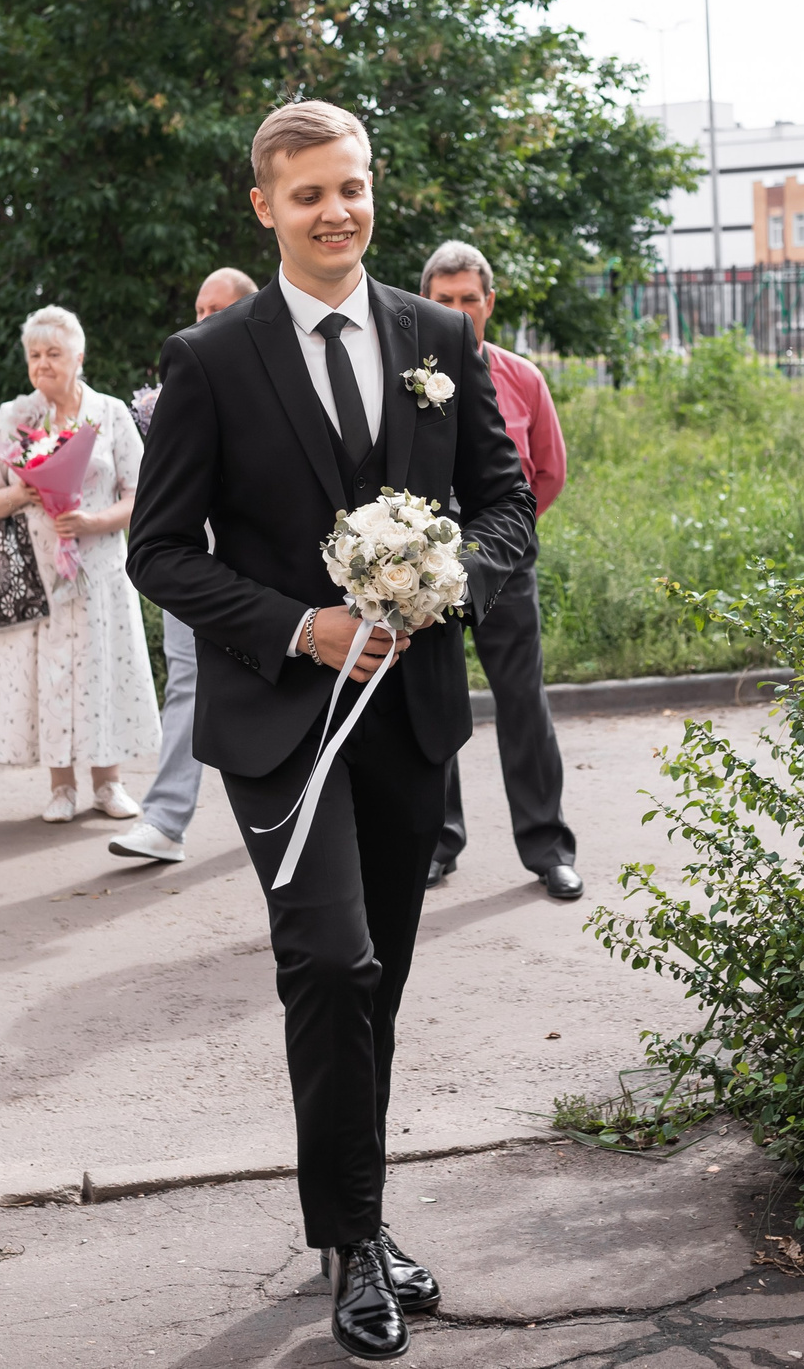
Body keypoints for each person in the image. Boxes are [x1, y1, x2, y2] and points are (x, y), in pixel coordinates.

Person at [129, 100, 535, 1361]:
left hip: (407, 717)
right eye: (307, 195)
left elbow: (505, 505)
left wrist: (443, 579)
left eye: (351, 187)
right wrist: (299, 627)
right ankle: (354, 1246)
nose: (335, 211)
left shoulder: (437, 339)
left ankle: (350, 1211)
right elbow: (158, 553)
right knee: (331, 963)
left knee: (383, 981)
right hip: (278, 723)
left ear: (372, 188)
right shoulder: (209, 360)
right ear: (266, 207)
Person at [416, 241, 580, 901]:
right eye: (444, 299)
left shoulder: (522, 378)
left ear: (489, 302)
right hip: (422, 566)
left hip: (504, 563)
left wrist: (495, 547)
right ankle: (435, 843)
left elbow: (548, 472)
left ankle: (548, 849)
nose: (458, 310)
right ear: (424, 302)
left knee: (523, 702)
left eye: (469, 299)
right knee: (430, 701)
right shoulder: (406, 380)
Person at [0, 305, 160, 821]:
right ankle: (60, 787)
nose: (43, 364)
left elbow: (140, 494)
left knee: (103, 667)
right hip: (37, 569)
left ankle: (109, 783)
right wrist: (24, 493)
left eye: (54, 354)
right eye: (34, 355)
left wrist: (93, 522)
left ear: (79, 356)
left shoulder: (110, 412)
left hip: (98, 567)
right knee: (47, 673)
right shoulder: (16, 417)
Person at [109, 265, 259, 866]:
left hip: (260, 565)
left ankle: (304, 809)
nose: (202, 321)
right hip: (192, 558)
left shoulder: (272, 381)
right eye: (198, 310)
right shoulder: (185, 379)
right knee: (187, 682)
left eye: (216, 310)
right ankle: (167, 820)